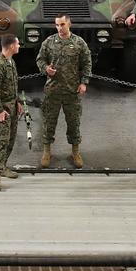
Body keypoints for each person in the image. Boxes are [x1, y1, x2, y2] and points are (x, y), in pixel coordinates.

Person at [36, 15, 92, 169]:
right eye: (57, 25)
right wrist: (46, 69)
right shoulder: (49, 42)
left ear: (69, 24)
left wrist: (84, 82)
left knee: (74, 123)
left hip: (71, 91)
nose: (59, 28)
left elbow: (87, 63)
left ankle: (75, 152)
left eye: (62, 24)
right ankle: (47, 151)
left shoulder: (79, 43)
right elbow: (40, 59)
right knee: (49, 122)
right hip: (52, 90)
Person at [0, 34, 23, 192]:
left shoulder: (11, 62)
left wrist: (17, 102)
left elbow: (13, 85)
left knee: (11, 139)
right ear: (10, 46)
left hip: (12, 106)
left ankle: (3, 166)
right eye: (17, 44)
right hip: (3, 109)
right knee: (2, 141)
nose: (19, 46)